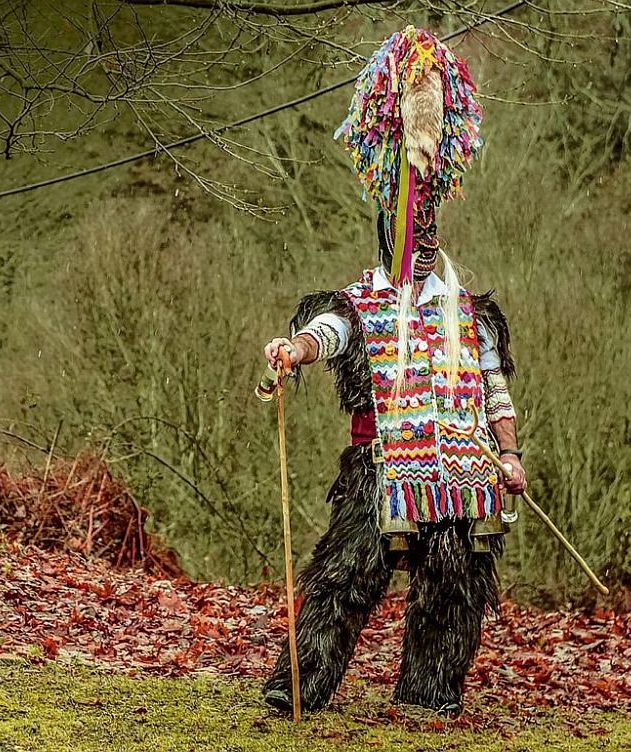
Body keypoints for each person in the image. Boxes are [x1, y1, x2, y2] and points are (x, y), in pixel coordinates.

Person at [260, 26, 527, 716]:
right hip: (380, 465)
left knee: (459, 575)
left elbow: (494, 383)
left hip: (461, 474)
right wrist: (294, 351)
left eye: (432, 228)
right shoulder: (364, 300)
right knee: (344, 573)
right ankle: (298, 686)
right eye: (414, 228)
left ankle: (429, 693)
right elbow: (329, 331)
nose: (425, 240)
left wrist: (508, 453)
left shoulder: (468, 311)